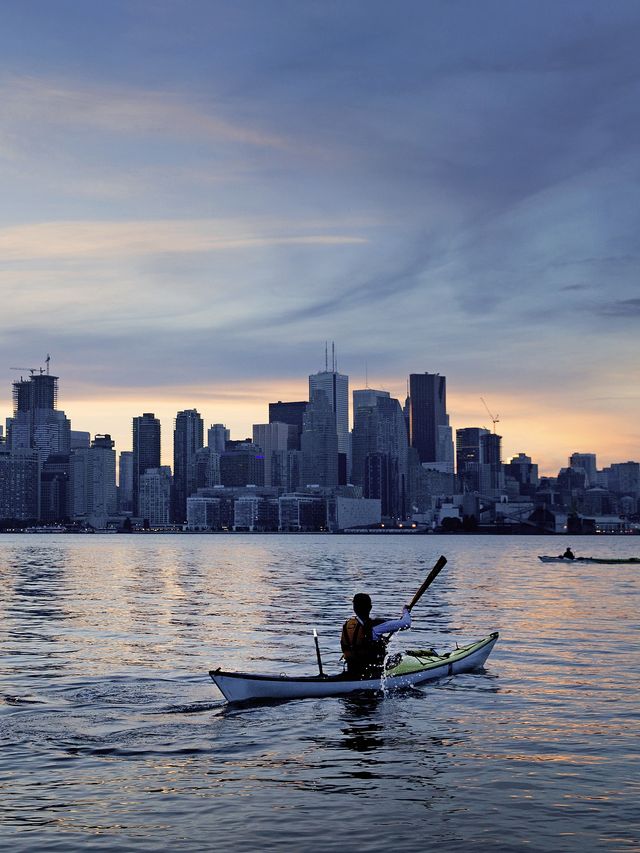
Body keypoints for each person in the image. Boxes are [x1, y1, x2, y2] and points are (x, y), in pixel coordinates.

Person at [340, 593, 411, 679]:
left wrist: (380, 641)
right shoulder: (375, 625)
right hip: (372, 673)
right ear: (370, 607)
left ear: (354, 608)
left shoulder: (348, 625)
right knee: (397, 658)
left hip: (352, 670)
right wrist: (405, 611)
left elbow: (364, 643)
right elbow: (406, 624)